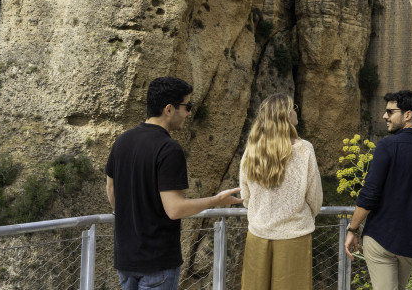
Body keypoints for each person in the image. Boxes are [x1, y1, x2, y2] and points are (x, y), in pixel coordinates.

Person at [105, 77, 242, 290]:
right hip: (157, 261)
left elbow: (111, 188)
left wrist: (130, 219)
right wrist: (217, 200)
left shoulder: (122, 141)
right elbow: (175, 209)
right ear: (169, 109)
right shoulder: (169, 149)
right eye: (187, 106)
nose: (189, 113)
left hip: (126, 258)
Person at [344, 90, 412, 290]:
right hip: (411, 241)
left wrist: (352, 229)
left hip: (381, 237)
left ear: (408, 115)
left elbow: (369, 194)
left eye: (390, 112)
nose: (384, 116)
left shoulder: (387, 145)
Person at [238, 93, 323, 290]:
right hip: (294, 236)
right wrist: (300, 215)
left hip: (258, 234)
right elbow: (315, 197)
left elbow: (245, 197)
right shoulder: (304, 149)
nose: (296, 111)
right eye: (293, 108)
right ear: (285, 114)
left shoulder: (252, 150)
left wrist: (262, 213)